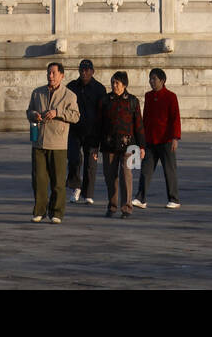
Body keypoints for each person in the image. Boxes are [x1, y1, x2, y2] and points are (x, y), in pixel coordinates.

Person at [26, 62, 80, 223]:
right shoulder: (37, 93)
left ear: (62, 76)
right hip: (39, 142)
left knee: (58, 181)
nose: (50, 76)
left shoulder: (69, 95)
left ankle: (56, 212)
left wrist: (58, 113)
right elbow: (28, 111)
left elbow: (75, 116)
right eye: (49, 73)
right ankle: (39, 210)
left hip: (58, 143)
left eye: (54, 73)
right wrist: (34, 114)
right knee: (39, 179)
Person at [94, 71, 145, 218]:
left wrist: (142, 147)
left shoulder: (132, 101)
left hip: (129, 145)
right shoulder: (104, 100)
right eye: (112, 82)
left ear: (124, 84)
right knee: (110, 176)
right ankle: (112, 205)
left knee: (126, 175)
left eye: (117, 82)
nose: (114, 85)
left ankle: (126, 207)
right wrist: (94, 147)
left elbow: (139, 125)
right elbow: (98, 125)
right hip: (108, 144)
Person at [133, 68, 181, 209]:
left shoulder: (171, 96)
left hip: (166, 140)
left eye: (154, 79)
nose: (151, 82)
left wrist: (175, 137)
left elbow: (175, 118)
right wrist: (141, 137)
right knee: (145, 171)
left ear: (162, 80)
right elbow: (145, 118)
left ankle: (174, 199)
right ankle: (141, 198)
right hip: (150, 140)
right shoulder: (148, 96)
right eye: (150, 79)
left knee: (169, 170)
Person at [66, 59, 106, 204]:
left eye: (87, 70)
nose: (84, 72)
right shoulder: (71, 87)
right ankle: (76, 186)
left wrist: (102, 133)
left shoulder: (99, 89)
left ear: (92, 71)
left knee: (91, 163)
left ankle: (88, 193)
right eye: (82, 69)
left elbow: (102, 112)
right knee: (73, 158)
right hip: (74, 129)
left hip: (93, 131)